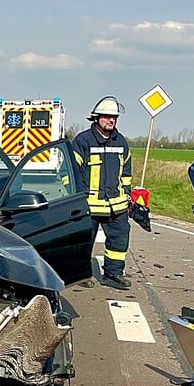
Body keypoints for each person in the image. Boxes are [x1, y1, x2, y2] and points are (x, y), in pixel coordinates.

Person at [72, 96, 132, 290]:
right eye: (107, 116)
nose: (111, 120)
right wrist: (78, 198)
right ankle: (81, 274)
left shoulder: (121, 141)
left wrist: (127, 194)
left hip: (116, 205)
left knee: (119, 239)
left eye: (114, 117)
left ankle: (113, 275)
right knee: (84, 240)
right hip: (89, 204)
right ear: (96, 118)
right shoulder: (82, 141)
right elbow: (72, 172)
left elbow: (126, 172)